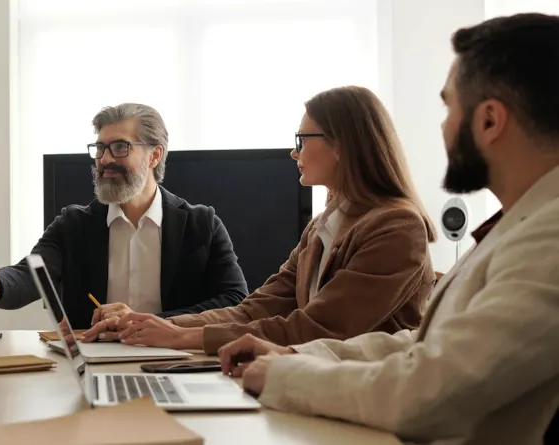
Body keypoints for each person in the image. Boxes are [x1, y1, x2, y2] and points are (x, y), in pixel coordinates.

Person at [218, 13, 559, 445]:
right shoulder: (521, 225)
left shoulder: (548, 241)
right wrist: (296, 354)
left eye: (448, 106)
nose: (442, 126)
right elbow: (422, 345)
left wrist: (287, 374)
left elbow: (430, 393)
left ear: (490, 121)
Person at [84, 86, 437, 354]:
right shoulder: (321, 227)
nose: (294, 151)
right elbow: (255, 308)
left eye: (302, 139)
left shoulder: (397, 228)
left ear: (341, 145)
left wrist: (185, 336)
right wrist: (157, 325)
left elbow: (319, 327)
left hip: (364, 400)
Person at [0, 103, 248, 329]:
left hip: (177, 359)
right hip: (96, 359)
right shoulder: (73, 225)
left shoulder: (202, 225)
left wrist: (148, 322)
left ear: (154, 155)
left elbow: (234, 301)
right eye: (100, 148)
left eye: (120, 147)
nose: (105, 159)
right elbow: (29, 276)